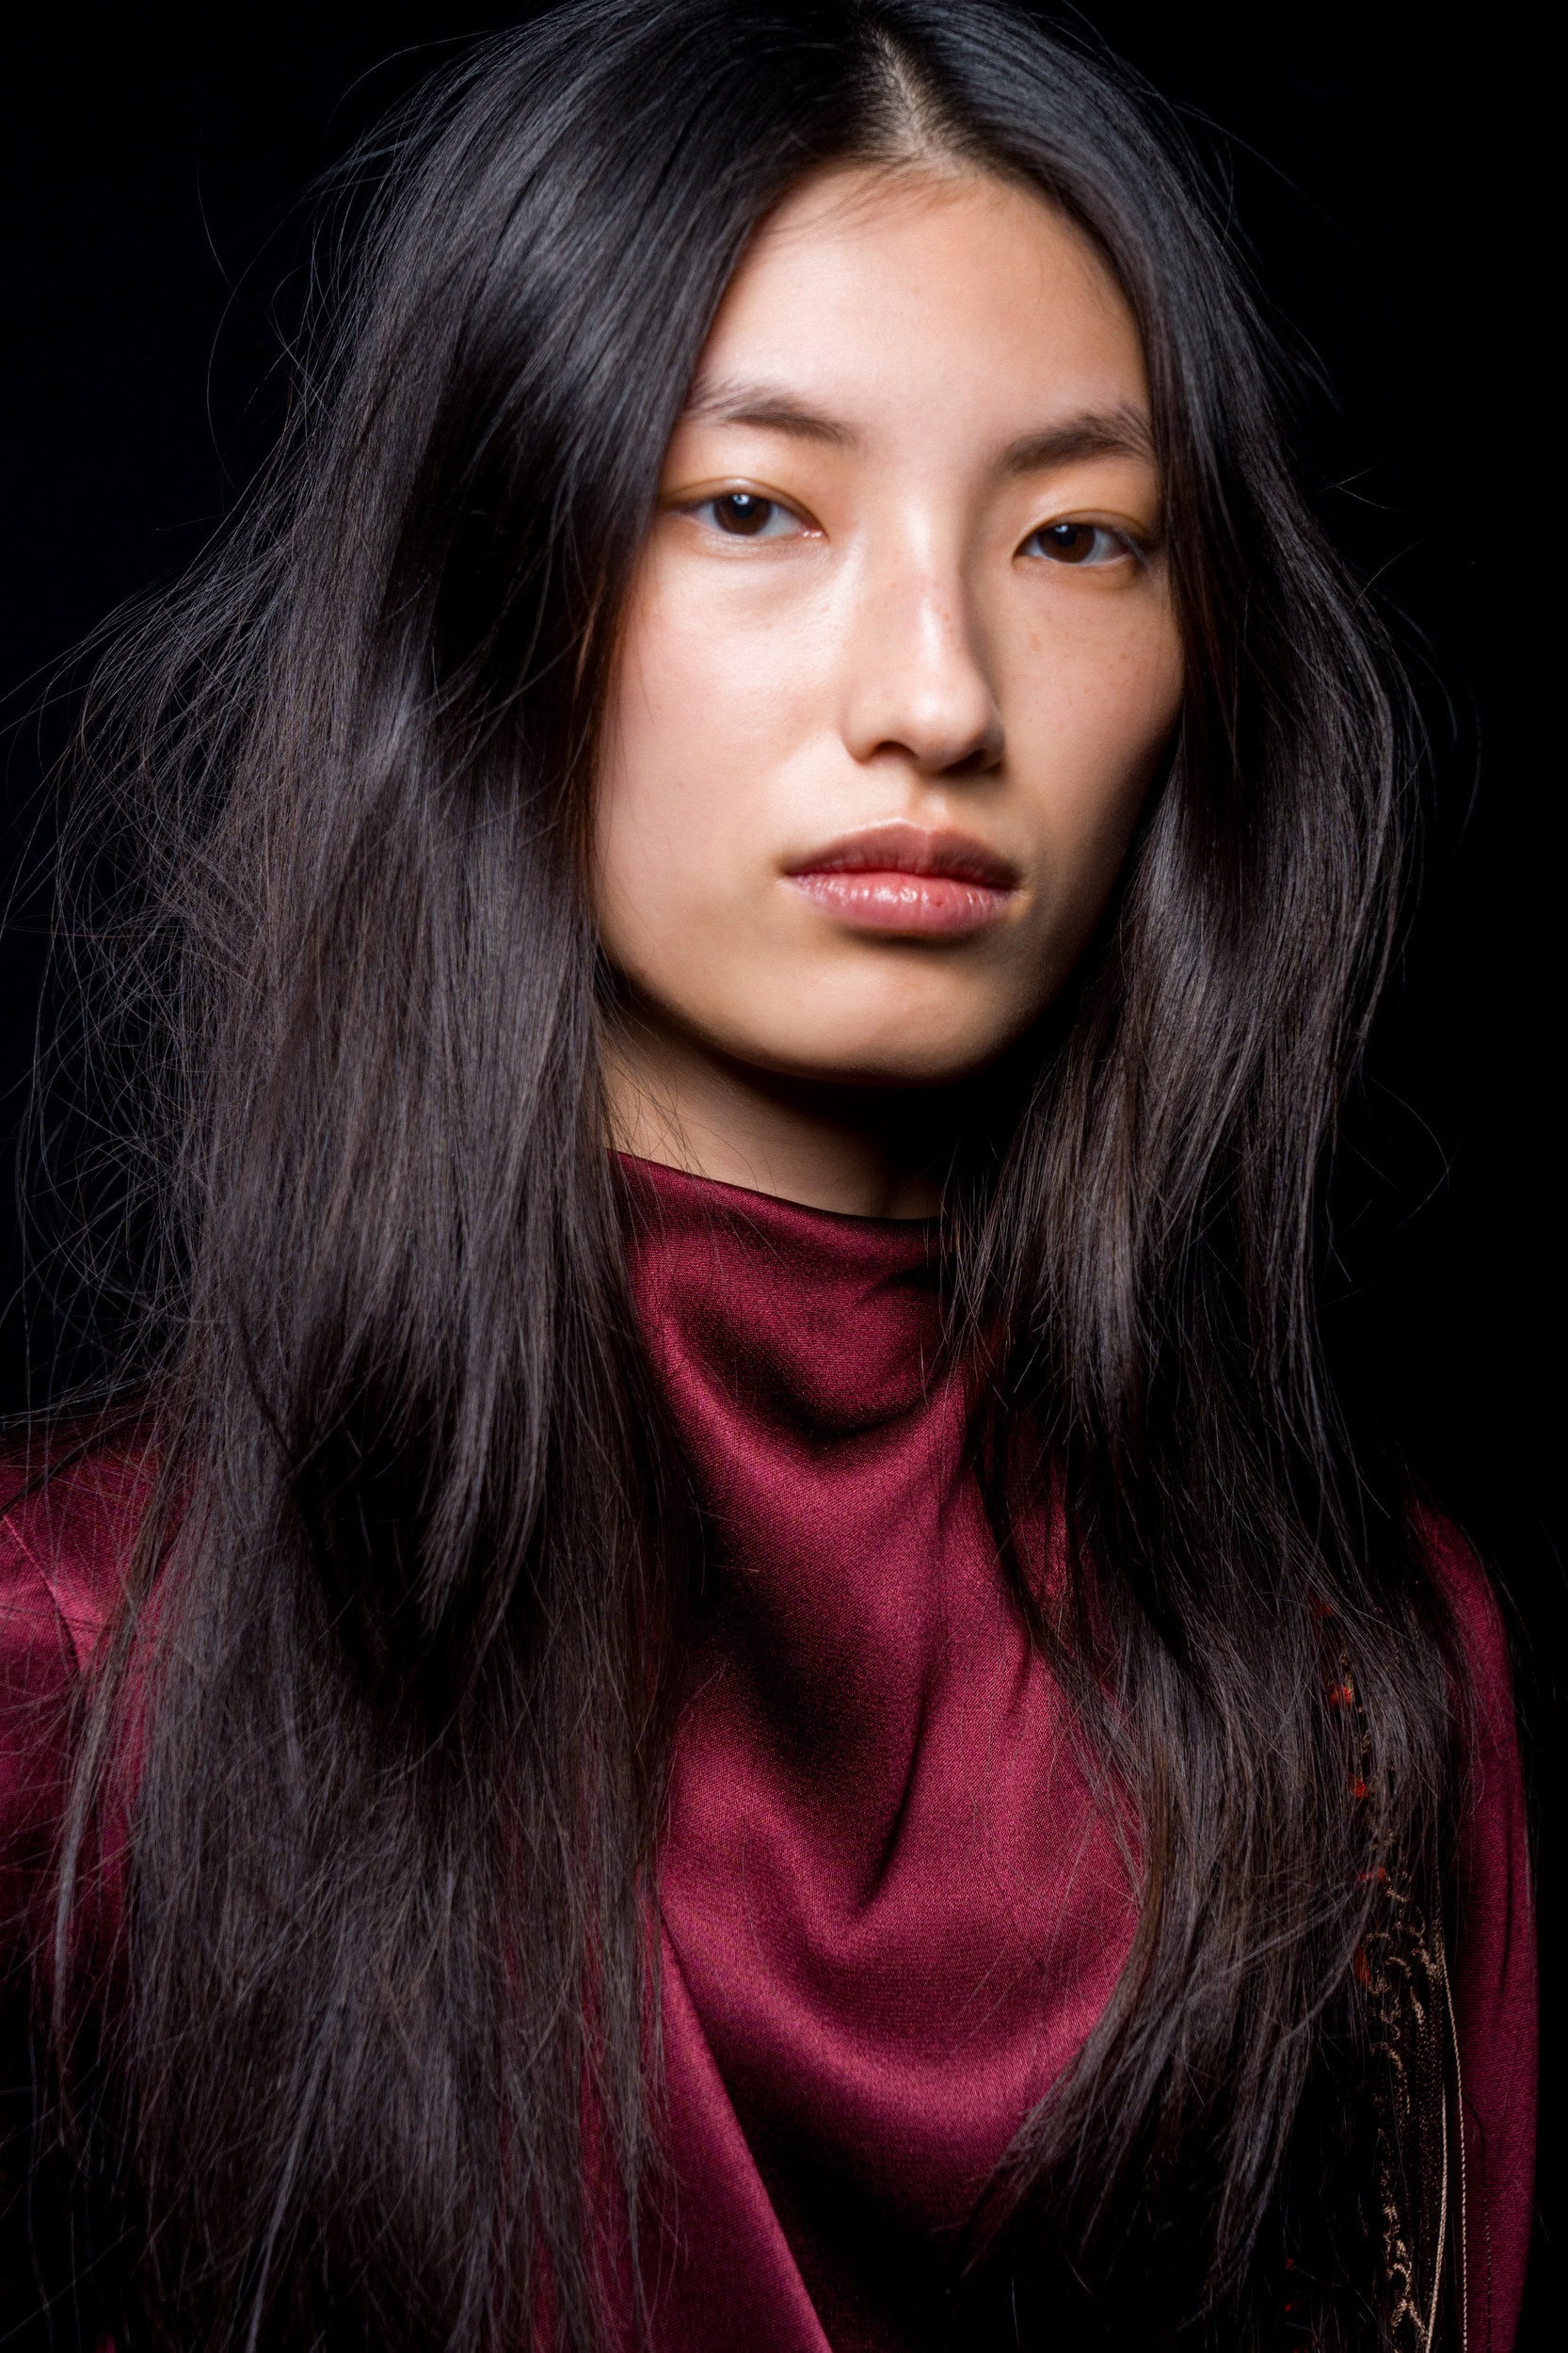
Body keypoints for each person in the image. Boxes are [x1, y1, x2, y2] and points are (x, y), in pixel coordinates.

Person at [0, 3, 1535, 2346]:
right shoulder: (79, 1664)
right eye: (748, 507)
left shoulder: (1363, 1685)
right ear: (487, 589)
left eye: (1075, 536)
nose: (935, 694)